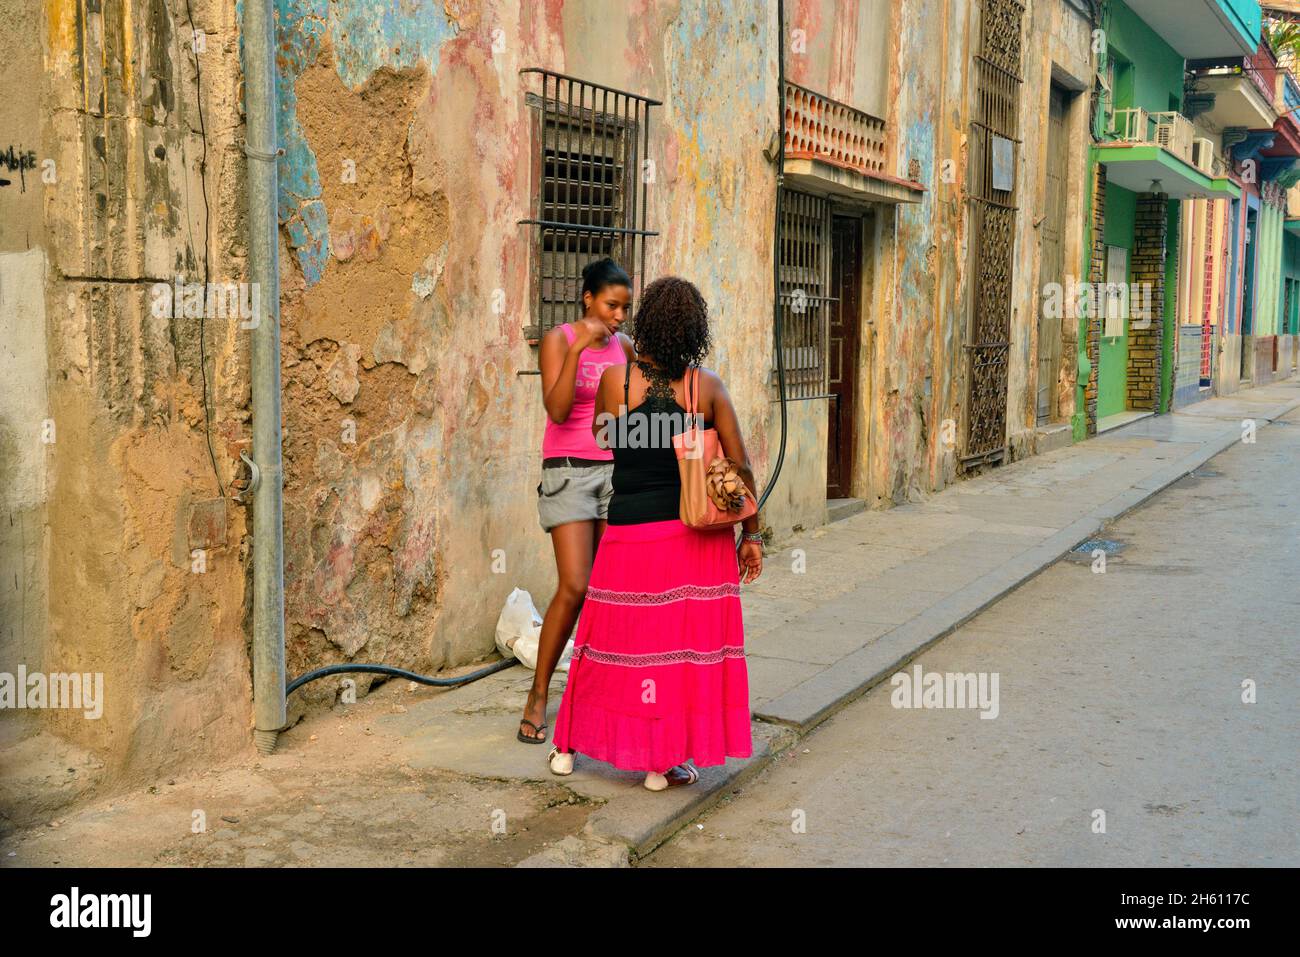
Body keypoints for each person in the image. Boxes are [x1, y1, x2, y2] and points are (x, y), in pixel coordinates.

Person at [547, 276, 763, 790]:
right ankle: (660, 762)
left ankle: (566, 744)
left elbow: (608, 441)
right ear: (694, 331)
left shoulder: (613, 384)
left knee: (609, 647)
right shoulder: (705, 387)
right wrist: (751, 535)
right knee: (678, 655)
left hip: (627, 535)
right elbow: (741, 466)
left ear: (645, 325)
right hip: (693, 539)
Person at [517, 258, 635, 744]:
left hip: (615, 472)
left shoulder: (625, 347)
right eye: (612, 305)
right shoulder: (558, 340)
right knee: (576, 584)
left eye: (626, 308)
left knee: (614, 588)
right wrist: (580, 348)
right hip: (567, 473)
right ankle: (539, 693)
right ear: (587, 298)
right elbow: (559, 408)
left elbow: (632, 409)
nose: (619, 317)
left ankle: (605, 698)